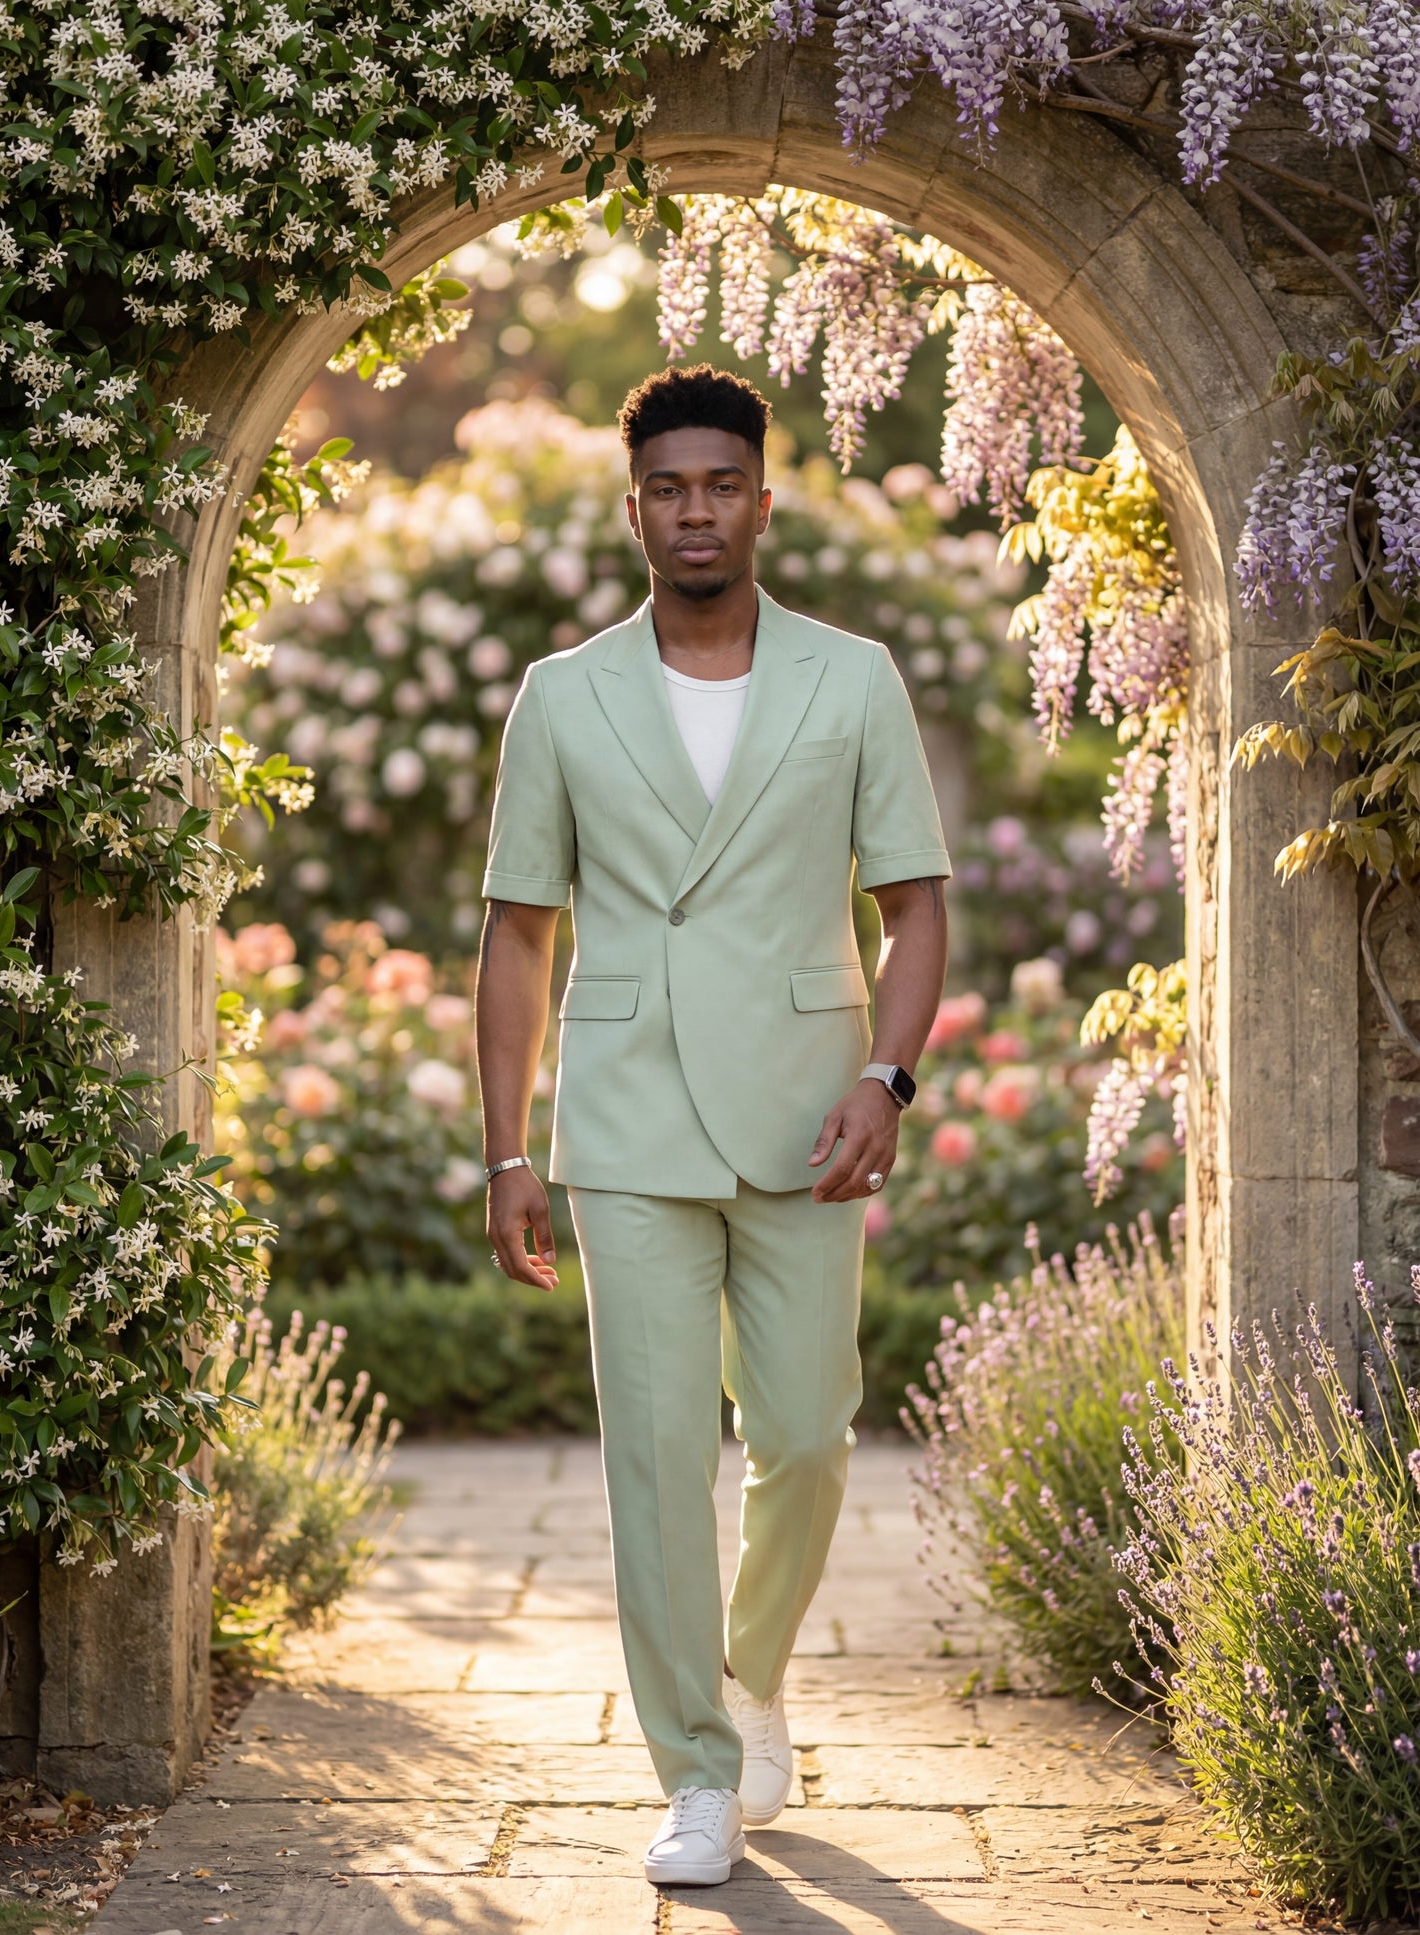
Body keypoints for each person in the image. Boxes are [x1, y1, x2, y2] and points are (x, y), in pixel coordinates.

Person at [475, 364, 949, 1887]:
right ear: (634, 510)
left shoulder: (850, 676)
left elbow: (915, 909)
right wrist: (506, 1149)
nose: (696, 508)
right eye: (669, 487)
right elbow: (515, 936)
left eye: (720, 483)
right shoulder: (561, 694)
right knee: (656, 1454)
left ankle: (747, 1683)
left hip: (812, 1116)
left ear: (762, 496)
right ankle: (692, 1766)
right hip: (620, 1124)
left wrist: (885, 1078)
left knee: (806, 1438)